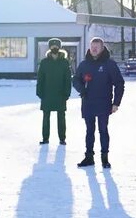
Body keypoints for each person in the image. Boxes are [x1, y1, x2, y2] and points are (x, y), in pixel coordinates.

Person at [72, 38, 124, 169]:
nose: (94, 49)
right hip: (88, 103)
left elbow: (119, 83)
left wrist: (116, 103)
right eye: (92, 46)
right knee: (89, 131)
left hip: (104, 103)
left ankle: (104, 158)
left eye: (97, 46)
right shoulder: (84, 64)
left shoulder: (109, 64)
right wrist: (82, 89)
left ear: (102, 48)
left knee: (103, 130)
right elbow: (76, 80)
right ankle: (89, 157)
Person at [36, 37, 71, 145]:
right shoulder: (44, 62)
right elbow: (40, 78)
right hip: (47, 94)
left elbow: (68, 79)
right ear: (49, 47)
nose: (54, 47)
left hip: (60, 94)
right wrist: (39, 92)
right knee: (46, 117)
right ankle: (45, 139)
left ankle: (62, 139)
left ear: (59, 48)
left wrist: (66, 93)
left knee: (61, 117)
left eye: (56, 45)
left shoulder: (64, 62)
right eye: (52, 45)